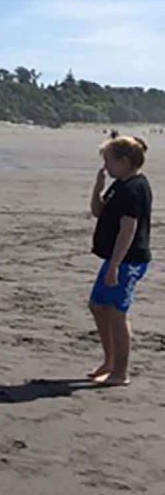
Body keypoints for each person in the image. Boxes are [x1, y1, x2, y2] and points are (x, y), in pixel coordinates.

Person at [88, 136, 152, 387]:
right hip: (115, 260)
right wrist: (98, 187)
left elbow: (128, 230)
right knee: (97, 305)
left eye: (109, 161)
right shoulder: (119, 184)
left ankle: (120, 372)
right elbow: (98, 211)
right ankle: (109, 361)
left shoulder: (135, 188)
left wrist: (114, 266)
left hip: (128, 261)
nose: (106, 166)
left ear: (125, 162)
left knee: (117, 313)